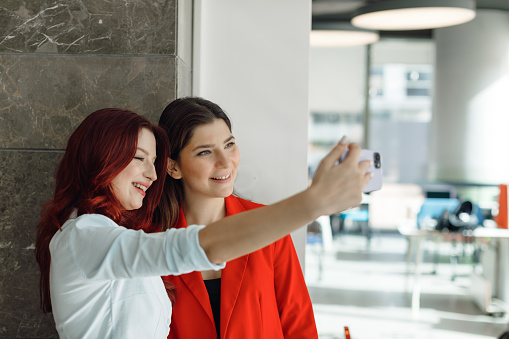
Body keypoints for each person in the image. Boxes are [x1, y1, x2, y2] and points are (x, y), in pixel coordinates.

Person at [35, 108, 370, 339]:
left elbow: (297, 322)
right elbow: (193, 247)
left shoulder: (112, 235)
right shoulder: (85, 236)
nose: (152, 175)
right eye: (139, 158)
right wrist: (312, 203)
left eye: (153, 161)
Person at [157, 97, 317, 339]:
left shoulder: (269, 225)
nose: (225, 162)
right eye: (205, 152)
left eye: (229, 145)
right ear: (173, 167)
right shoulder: (151, 240)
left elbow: (299, 324)